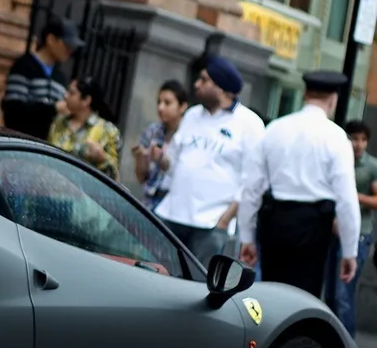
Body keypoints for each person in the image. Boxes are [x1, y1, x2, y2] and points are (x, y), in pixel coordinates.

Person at [237, 70, 361, 299]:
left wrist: (247, 236)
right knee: (304, 298)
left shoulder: (274, 129)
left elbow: (252, 187)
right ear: (333, 100)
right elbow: (346, 199)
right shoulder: (336, 137)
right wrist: (349, 251)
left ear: (305, 94)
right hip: (313, 226)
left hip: (275, 220)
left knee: (271, 294)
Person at [152, 56, 264, 267]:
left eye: (204, 80)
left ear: (221, 87)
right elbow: (173, 164)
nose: (196, 84)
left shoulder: (250, 123)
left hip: (211, 224)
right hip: (172, 215)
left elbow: (252, 181)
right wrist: (159, 158)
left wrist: (224, 220)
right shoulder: (192, 115)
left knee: (198, 280)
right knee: (159, 273)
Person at [322, 120, 377, 336]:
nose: (358, 144)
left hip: (359, 234)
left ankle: (346, 343)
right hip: (331, 233)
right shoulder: (336, 161)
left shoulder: (373, 167)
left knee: (343, 294)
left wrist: (352, 196)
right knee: (329, 294)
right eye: (354, 139)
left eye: (363, 140)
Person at [0, 13, 84, 140]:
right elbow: (13, 110)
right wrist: (52, 109)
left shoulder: (60, 78)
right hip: (19, 141)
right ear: (51, 40)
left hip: (45, 146)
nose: (70, 51)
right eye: (67, 45)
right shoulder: (24, 66)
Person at [48, 76, 122, 180]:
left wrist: (102, 159)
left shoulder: (108, 131)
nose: (65, 96)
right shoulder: (59, 122)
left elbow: (114, 178)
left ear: (86, 100)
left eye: (71, 93)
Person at [132, 79, 188, 209]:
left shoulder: (189, 134)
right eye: (159, 102)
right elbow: (141, 178)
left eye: (167, 103)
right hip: (150, 201)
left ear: (182, 107)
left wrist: (161, 158)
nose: (160, 108)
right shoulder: (152, 131)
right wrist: (140, 157)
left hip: (176, 204)